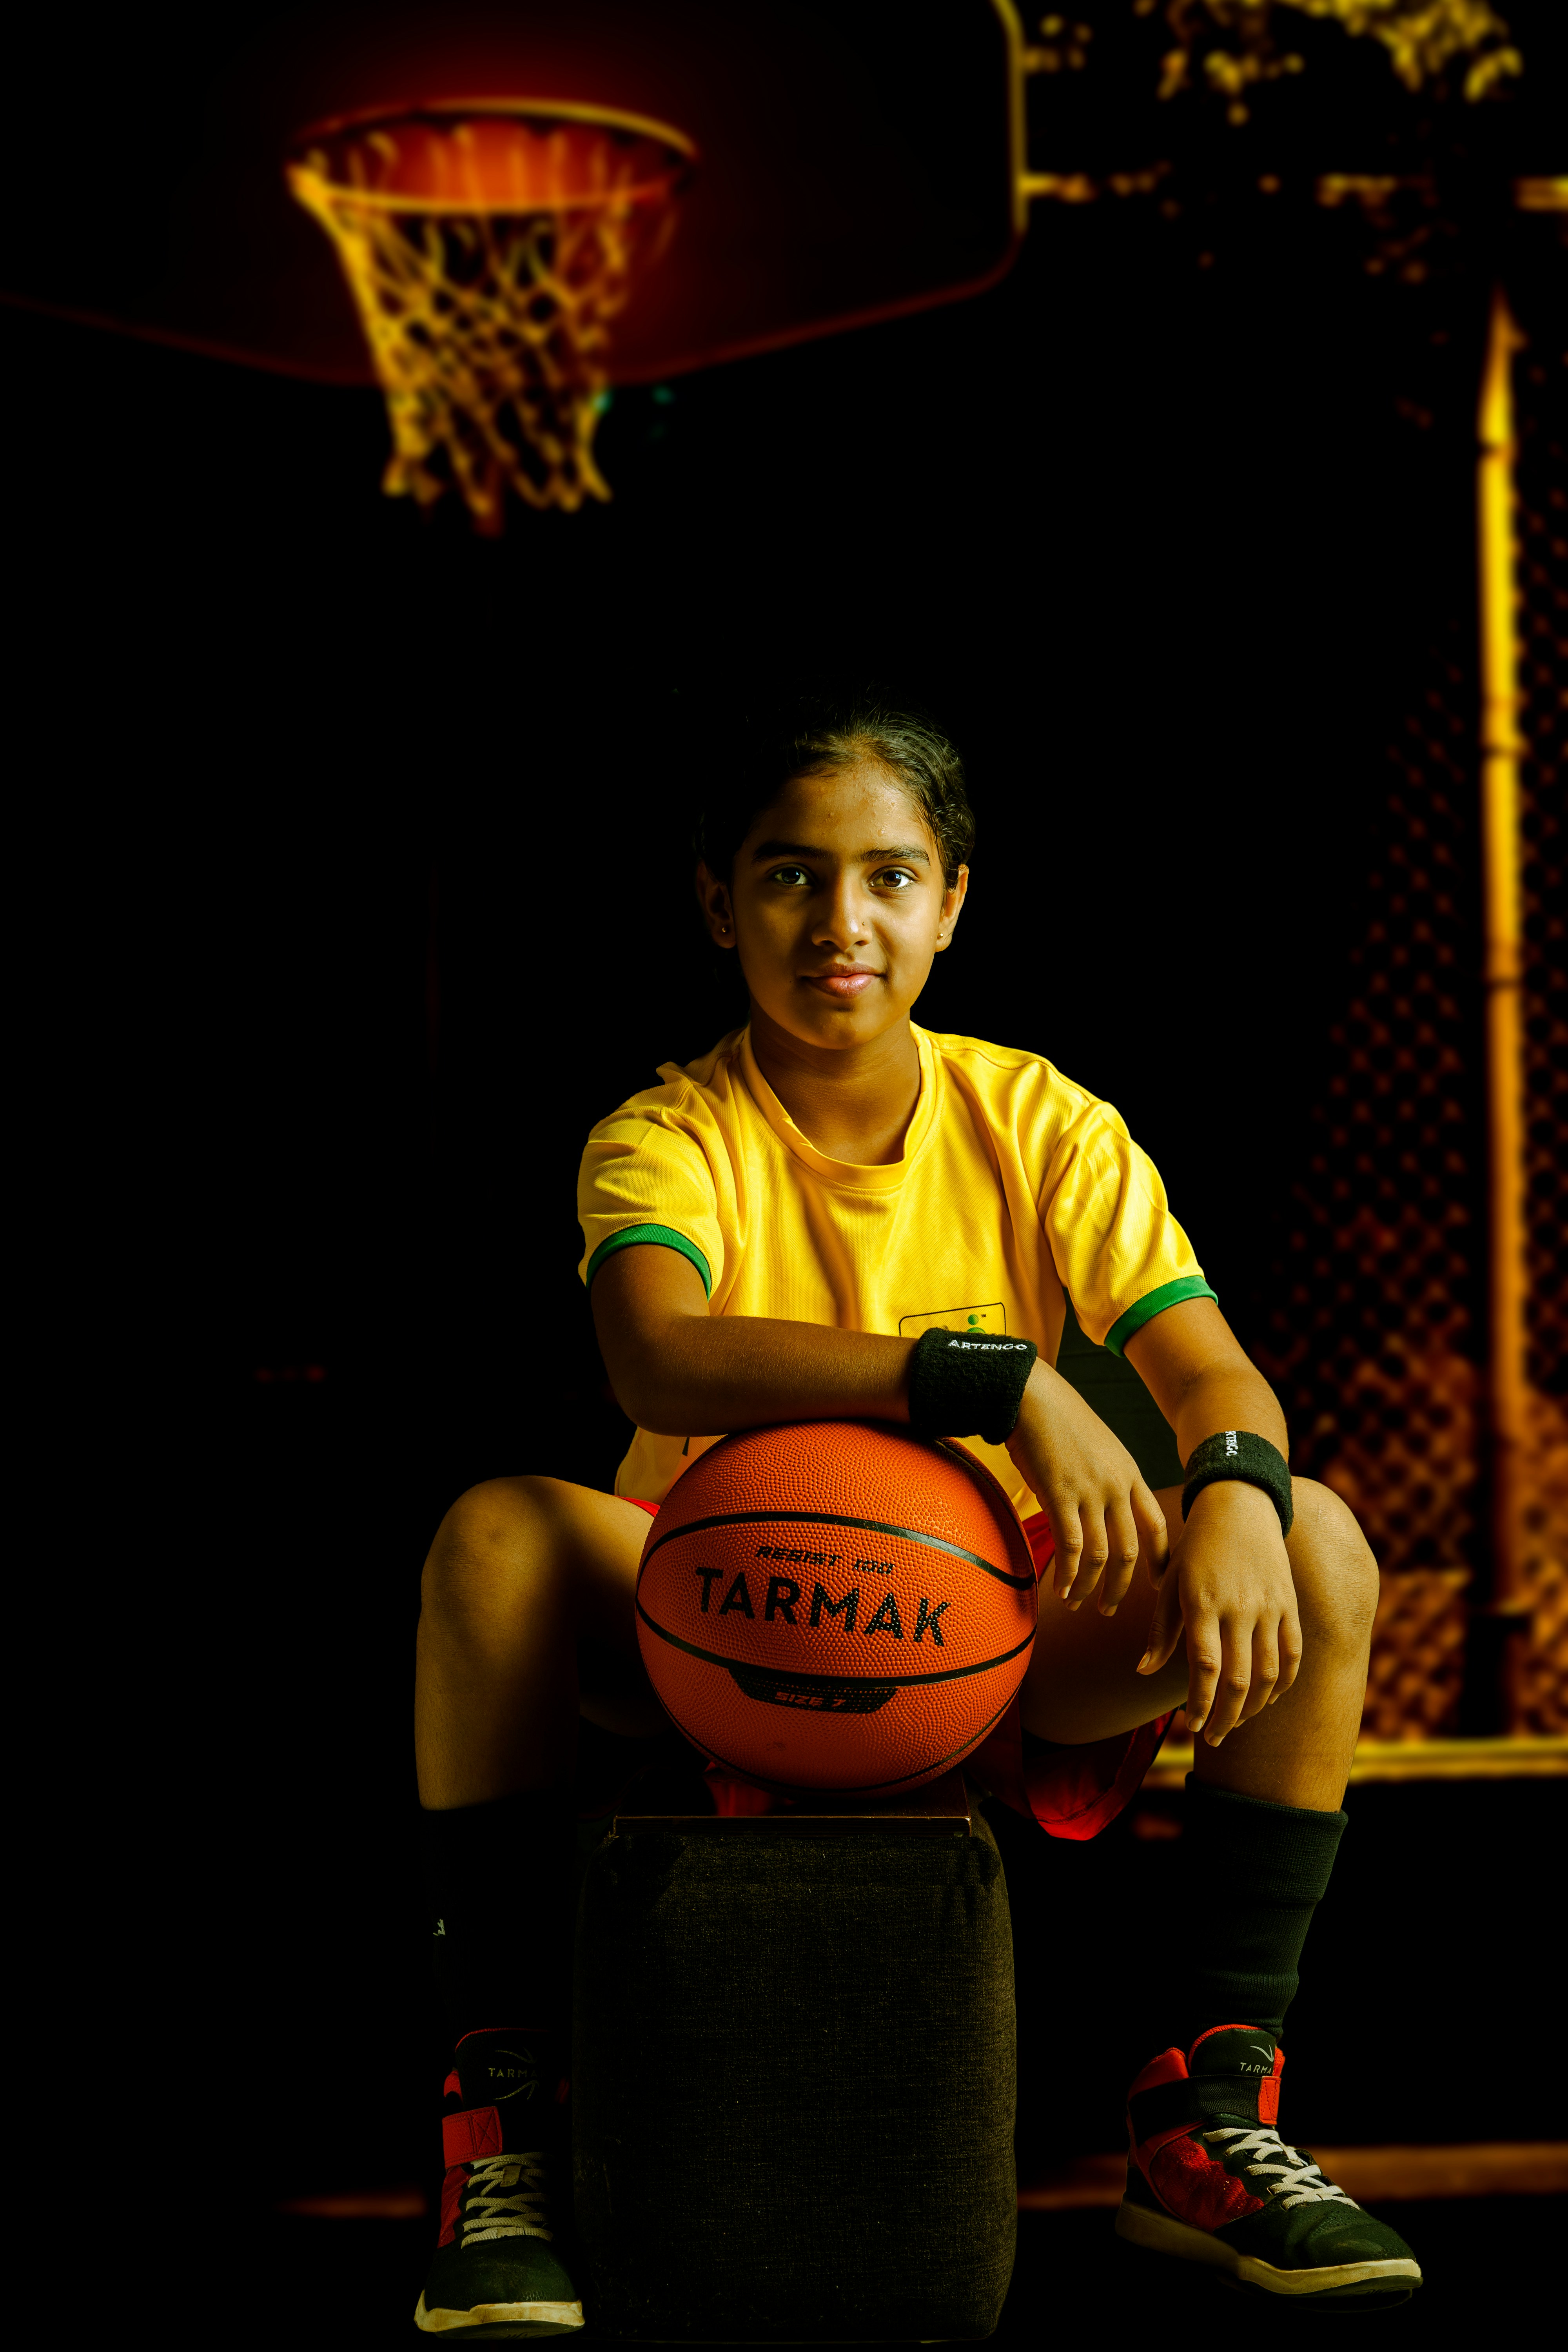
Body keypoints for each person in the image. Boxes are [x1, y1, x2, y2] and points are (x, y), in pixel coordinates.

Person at [412, 693, 1422, 2332]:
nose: (841, 924)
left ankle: (1207, 2118)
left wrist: (1231, 1488)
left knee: (1313, 1534)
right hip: (715, 1616)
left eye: (888, 878)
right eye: (790, 877)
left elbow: (1214, 1377)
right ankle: (501, 2132)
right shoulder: (666, 1136)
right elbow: (652, 1348)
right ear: (717, 902)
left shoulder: (1041, 1122)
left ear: (953, 900)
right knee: (496, 1536)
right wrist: (997, 1378)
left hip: (992, 1623)